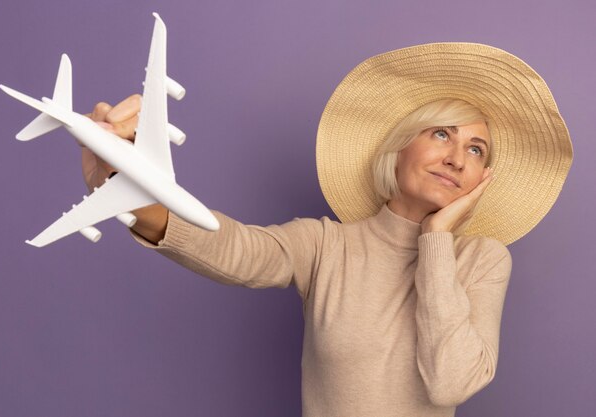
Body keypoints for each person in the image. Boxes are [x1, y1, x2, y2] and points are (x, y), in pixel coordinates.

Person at [81, 43, 573, 416]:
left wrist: (438, 240)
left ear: (481, 179)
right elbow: (231, 248)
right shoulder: (325, 244)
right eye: (442, 133)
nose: (455, 157)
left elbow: (450, 384)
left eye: (476, 150)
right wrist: (124, 182)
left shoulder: (482, 260)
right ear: (399, 148)